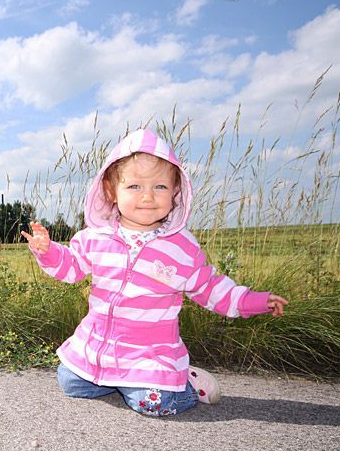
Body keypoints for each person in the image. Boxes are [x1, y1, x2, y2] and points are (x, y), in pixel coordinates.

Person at [21, 129, 288, 417]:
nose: (147, 196)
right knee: (70, 382)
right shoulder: (95, 237)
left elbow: (210, 288)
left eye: (159, 186)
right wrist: (47, 251)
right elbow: (71, 267)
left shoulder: (181, 246)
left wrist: (256, 301)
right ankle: (122, 383)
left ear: (175, 192)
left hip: (150, 353)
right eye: (134, 186)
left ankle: (183, 383)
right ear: (111, 191)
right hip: (98, 346)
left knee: (153, 403)